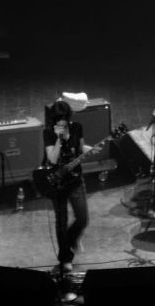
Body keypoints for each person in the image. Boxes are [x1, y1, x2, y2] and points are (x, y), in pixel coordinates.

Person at [44, 100, 99, 273]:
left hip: (76, 179)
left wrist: (93, 149)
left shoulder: (77, 127)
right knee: (61, 222)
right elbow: (52, 159)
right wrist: (59, 139)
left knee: (82, 218)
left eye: (64, 119)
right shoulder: (48, 133)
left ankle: (71, 239)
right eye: (57, 119)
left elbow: (81, 148)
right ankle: (65, 258)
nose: (61, 122)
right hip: (58, 182)